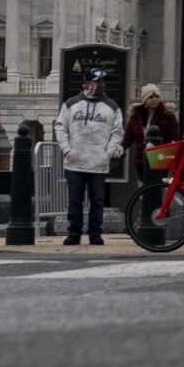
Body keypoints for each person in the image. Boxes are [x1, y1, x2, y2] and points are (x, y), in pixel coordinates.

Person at [52, 68, 124, 246]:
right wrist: (67, 149)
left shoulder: (112, 107)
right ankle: (73, 233)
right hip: (74, 162)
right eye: (95, 81)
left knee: (97, 201)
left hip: (98, 163)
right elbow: (60, 127)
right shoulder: (71, 104)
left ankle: (95, 233)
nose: (99, 85)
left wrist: (107, 153)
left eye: (101, 82)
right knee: (74, 201)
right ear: (86, 82)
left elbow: (118, 132)